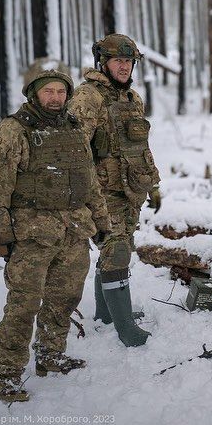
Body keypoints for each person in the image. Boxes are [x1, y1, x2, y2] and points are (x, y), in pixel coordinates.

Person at [0, 59, 111, 402]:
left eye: (61, 91)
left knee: (64, 299)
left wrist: (101, 224)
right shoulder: (9, 132)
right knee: (23, 305)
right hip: (31, 235)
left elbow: (89, 181)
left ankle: (51, 355)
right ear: (33, 94)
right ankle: (3, 373)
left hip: (73, 231)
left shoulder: (74, 128)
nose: (55, 97)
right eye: (48, 91)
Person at [68, 33, 160, 347]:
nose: (124, 66)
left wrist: (153, 185)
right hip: (102, 193)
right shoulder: (88, 96)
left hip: (130, 191)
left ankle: (107, 316)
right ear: (104, 62)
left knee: (115, 254)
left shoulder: (132, 99)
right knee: (116, 252)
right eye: (118, 60)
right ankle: (126, 331)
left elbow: (141, 147)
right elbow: (74, 149)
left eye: (128, 61)